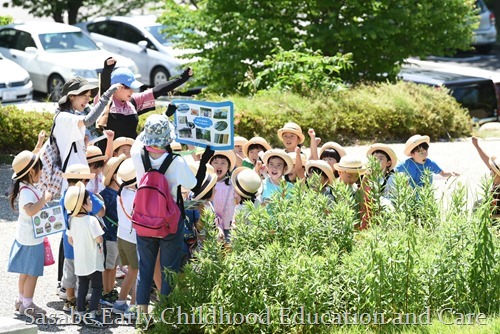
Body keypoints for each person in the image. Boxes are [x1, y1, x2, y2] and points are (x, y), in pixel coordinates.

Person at [130, 114, 214, 320]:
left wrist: (163, 115)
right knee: (169, 269)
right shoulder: (176, 162)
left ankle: (142, 316)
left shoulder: (136, 154)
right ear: (169, 139)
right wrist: (204, 159)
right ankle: (165, 316)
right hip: (169, 221)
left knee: (145, 267)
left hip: (143, 218)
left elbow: (140, 139)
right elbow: (194, 184)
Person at [96, 57, 193, 150]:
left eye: (132, 88)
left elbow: (157, 90)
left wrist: (182, 78)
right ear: (116, 87)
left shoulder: (132, 101)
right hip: (109, 156)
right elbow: (105, 87)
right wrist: (107, 69)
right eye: (128, 87)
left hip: (131, 154)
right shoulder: (106, 101)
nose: (132, 91)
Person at [8, 150, 52, 318]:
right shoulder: (27, 191)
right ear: (32, 172)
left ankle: (21, 300)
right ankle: (27, 304)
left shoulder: (25, 187)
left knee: (24, 273)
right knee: (32, 274)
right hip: (31, 241)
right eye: (40, 170)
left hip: (26, 237)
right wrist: (45, 199)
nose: (41, 173)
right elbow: (31, 211)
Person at [59, 164, 105, 313]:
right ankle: (92, 311)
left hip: (73, 250)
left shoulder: (66, 200)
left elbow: (70, 238)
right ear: (84, 180)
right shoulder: (87, 197)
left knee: (75, 278)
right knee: (96, 284)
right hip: (90, 254)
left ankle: (74, 304)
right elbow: (101, 215)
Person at [52, 77, 119, 171]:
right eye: (84, 95)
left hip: (77, 175)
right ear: (71, 96)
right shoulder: (62, 117)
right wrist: (106, 96)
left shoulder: (71, 115)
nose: (88, 99)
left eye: (89, 96)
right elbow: (88, 121)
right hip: (69, 178)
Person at [100, 154, 127, 306]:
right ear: (115, 175)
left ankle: (110, 290)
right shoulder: (107, 195)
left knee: (113, 266)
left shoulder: (116, 193)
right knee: (108, 266)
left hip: (116, 236)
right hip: (109, 236)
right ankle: (106, 291)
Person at [114, 158, 138, 317]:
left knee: (131, 271)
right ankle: (133, 307)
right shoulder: (135, 196)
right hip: (133, 239)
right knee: (138, 272)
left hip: (121, 236)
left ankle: (120, 302)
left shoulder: (122, 191)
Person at [395, 134, 459, 188]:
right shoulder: (407, 164)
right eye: (420, 152)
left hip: (426, 196)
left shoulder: (430, 163)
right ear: (412, 154)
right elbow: (393, 172)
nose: (424, 153)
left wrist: (450, 173)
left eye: (425, 151)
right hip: (411, 196)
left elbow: (442, 173)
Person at [209, 150, 238, 243]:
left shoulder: (232, 184)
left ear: (228, 167)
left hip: (228, 225)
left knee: (229, 250)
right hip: (211, 225)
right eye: (215, 162)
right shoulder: (207, 185)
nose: (219, 165)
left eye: (223, 163)